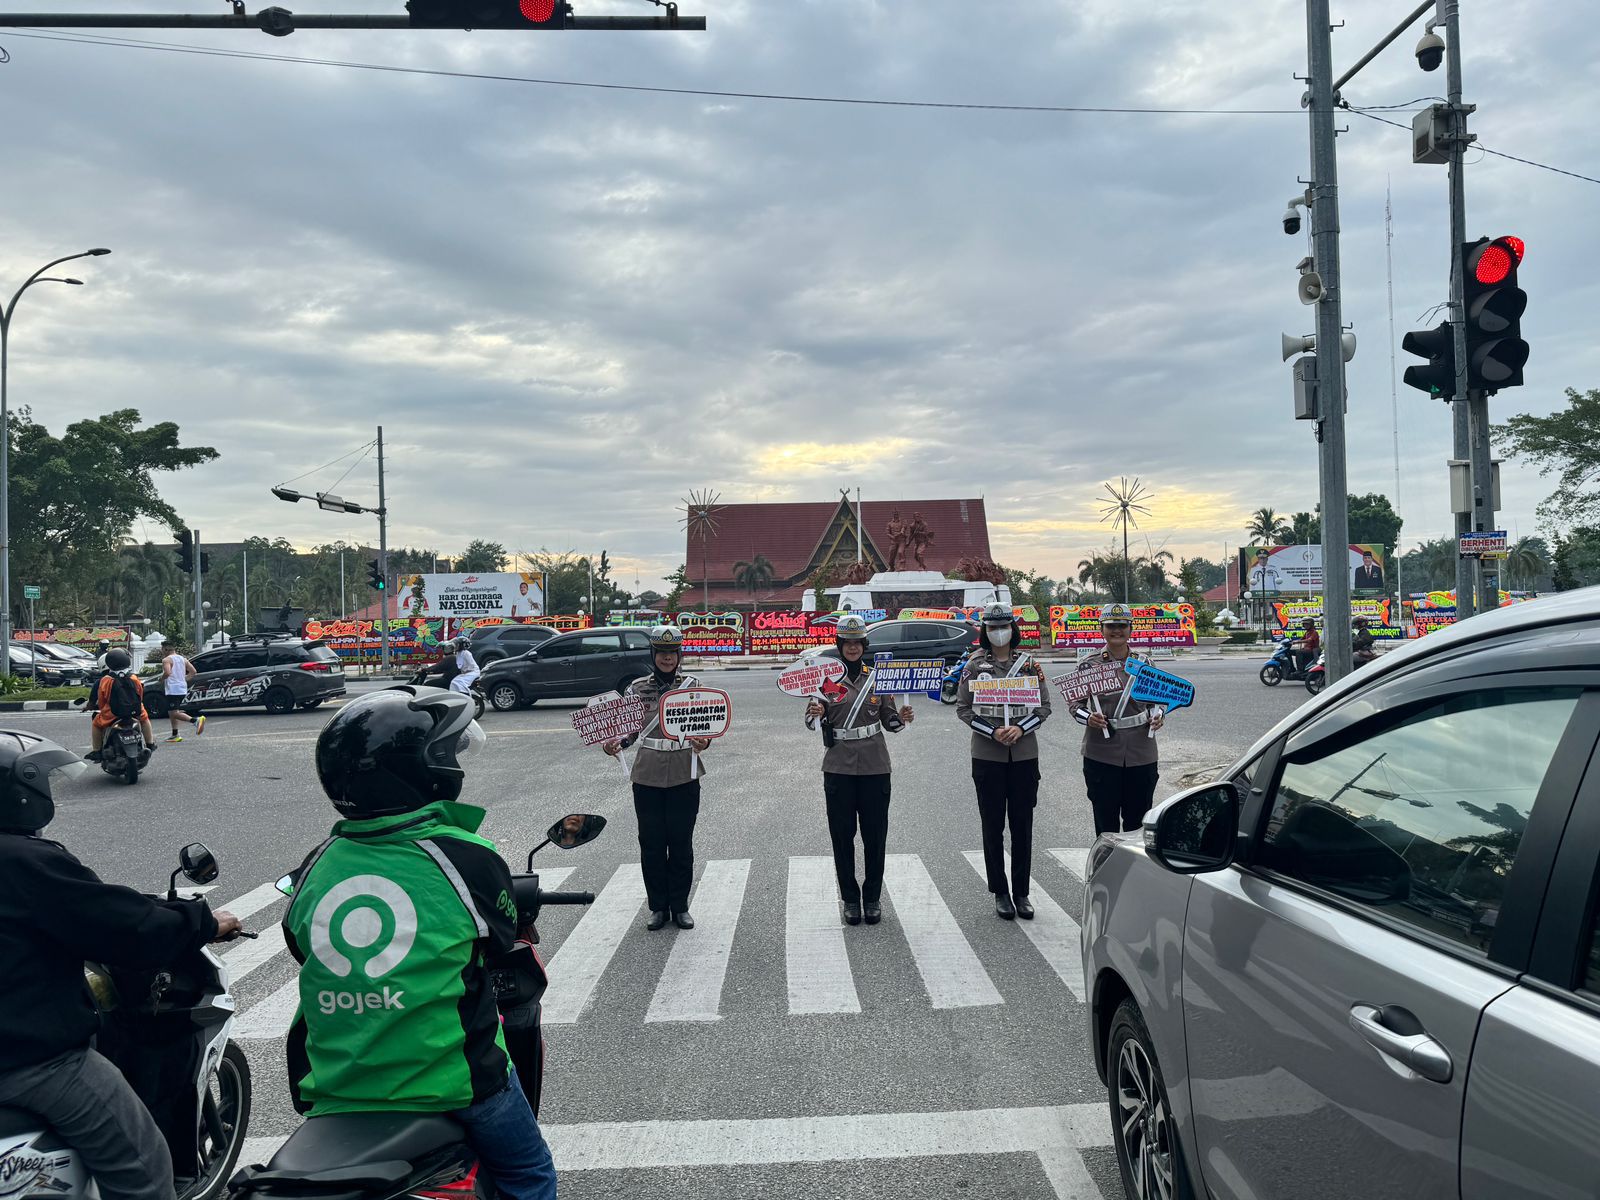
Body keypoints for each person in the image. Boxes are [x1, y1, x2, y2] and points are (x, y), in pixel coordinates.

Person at [285, 687, 556, 1200]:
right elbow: (501, 941)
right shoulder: (465, 857)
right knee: (529, 1172)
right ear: (426, 771)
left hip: (336, 1081)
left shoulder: (317, 864)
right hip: (453, 1082)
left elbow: (300, 945)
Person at [0, 730, 240, 1200]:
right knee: (144, 1167)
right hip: (30, 1062)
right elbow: (125, 927)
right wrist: (201, 922)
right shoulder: (24, 861)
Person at [803, 614, 914, 926]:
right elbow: (810, 722)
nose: (852, 647)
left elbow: (889, 721)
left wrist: (901, 718)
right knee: (842, 836)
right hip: (838, 766)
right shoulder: (825, 681)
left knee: (875, 836)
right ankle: (851, 900)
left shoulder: (877, 679)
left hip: (875, 766)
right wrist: (815, 712)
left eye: (857, 642)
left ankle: (873, 898)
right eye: (846, 642)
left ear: (864, 645)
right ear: (839, 646)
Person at [602, 625, 711, 931]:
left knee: (680, 842)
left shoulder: (694, 686)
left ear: (679, 655)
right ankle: (657, 907)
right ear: (653, 654)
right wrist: (616, 745)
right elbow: (629, 730)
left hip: (684, 771)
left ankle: (680, 906)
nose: (667, 658)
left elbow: (705, 726)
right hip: (647, 773)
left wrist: (704, 743)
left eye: (672, 653)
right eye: (662, 653)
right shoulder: (636, 689)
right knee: (651, 843)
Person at [956, 603, 1051, 920]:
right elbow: (964, 709)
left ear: (1013, 629)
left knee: (1023, 826)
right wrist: (994, 732)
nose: (999, 632)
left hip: (1024, 755)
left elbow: (1044, 708)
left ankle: (1022, 892)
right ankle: (1000, 892)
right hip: (988, 756)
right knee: (992, 826)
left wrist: (1019, 728)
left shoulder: (1029, 665)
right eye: (993, 627)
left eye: (1004, 626)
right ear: (985, 631)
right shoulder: (974, 665)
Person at [1072, 603, 1164, 837]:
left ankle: (1132, 873)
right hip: (1101, 753)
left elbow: (1158, 701)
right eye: (1111, 626)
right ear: (1101, 629)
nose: (1117, 631)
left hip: (1141, 753)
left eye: (1122, 625)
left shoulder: (1145, 663)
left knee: (1137, 824)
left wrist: (1158, 715)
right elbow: (1076, 705)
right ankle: (1104, 872)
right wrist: (1089, 718)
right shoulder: (1089, 665)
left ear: (1130, 628)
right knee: (1106, 826)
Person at [86, 649, 156, 762]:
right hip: (135, 712)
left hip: (112, 715)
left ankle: (97, 751)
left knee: (96, 724)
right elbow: (140, 695)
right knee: (145, 718)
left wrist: (103, 709)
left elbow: (102, 700)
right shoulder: (134, 678)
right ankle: (150, 744)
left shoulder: (106, 680)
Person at [159, 639, 204, 743]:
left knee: (174, 713)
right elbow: (193, 672)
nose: (161, 651)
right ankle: (175, 734)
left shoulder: (167, 660)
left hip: (173, 689)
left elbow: (167, 672)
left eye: (162, 649)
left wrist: (161, 679)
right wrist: (183, 680)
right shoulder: (183, 659)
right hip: (182, 688)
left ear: (166, 649)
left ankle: (195, 720)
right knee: (172, 712)